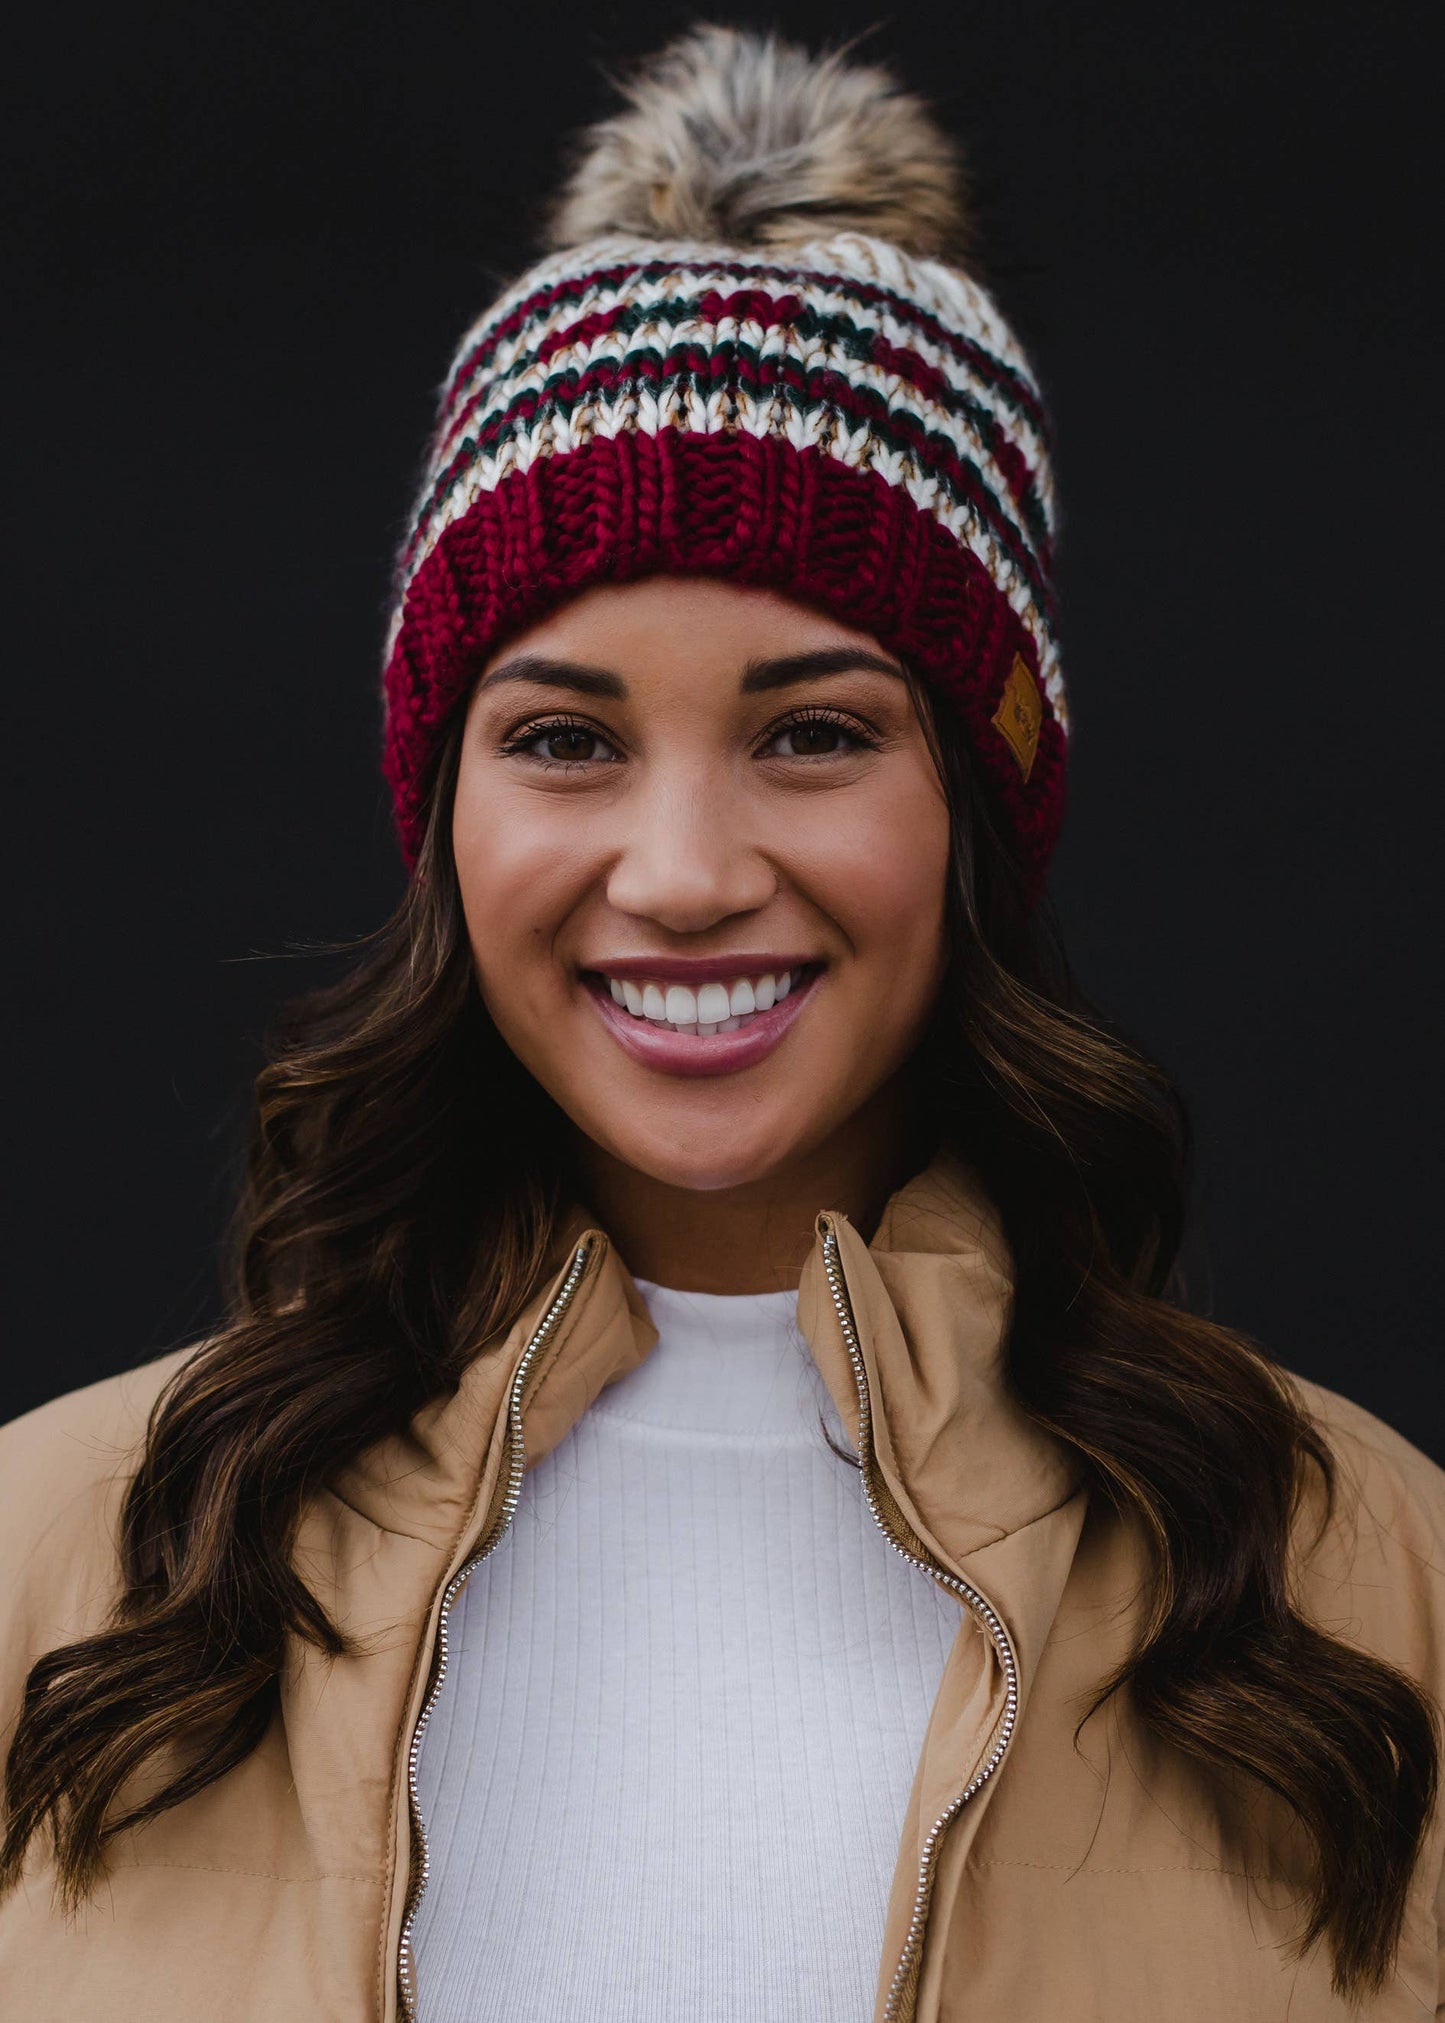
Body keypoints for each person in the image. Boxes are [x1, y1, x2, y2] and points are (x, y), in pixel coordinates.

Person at [1, 23, 1441, 2023]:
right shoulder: (60, 1560)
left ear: (980, 801)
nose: (681, 869)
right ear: (450, 810)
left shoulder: (1367, 1579)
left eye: (819, 731)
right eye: (566, 737)